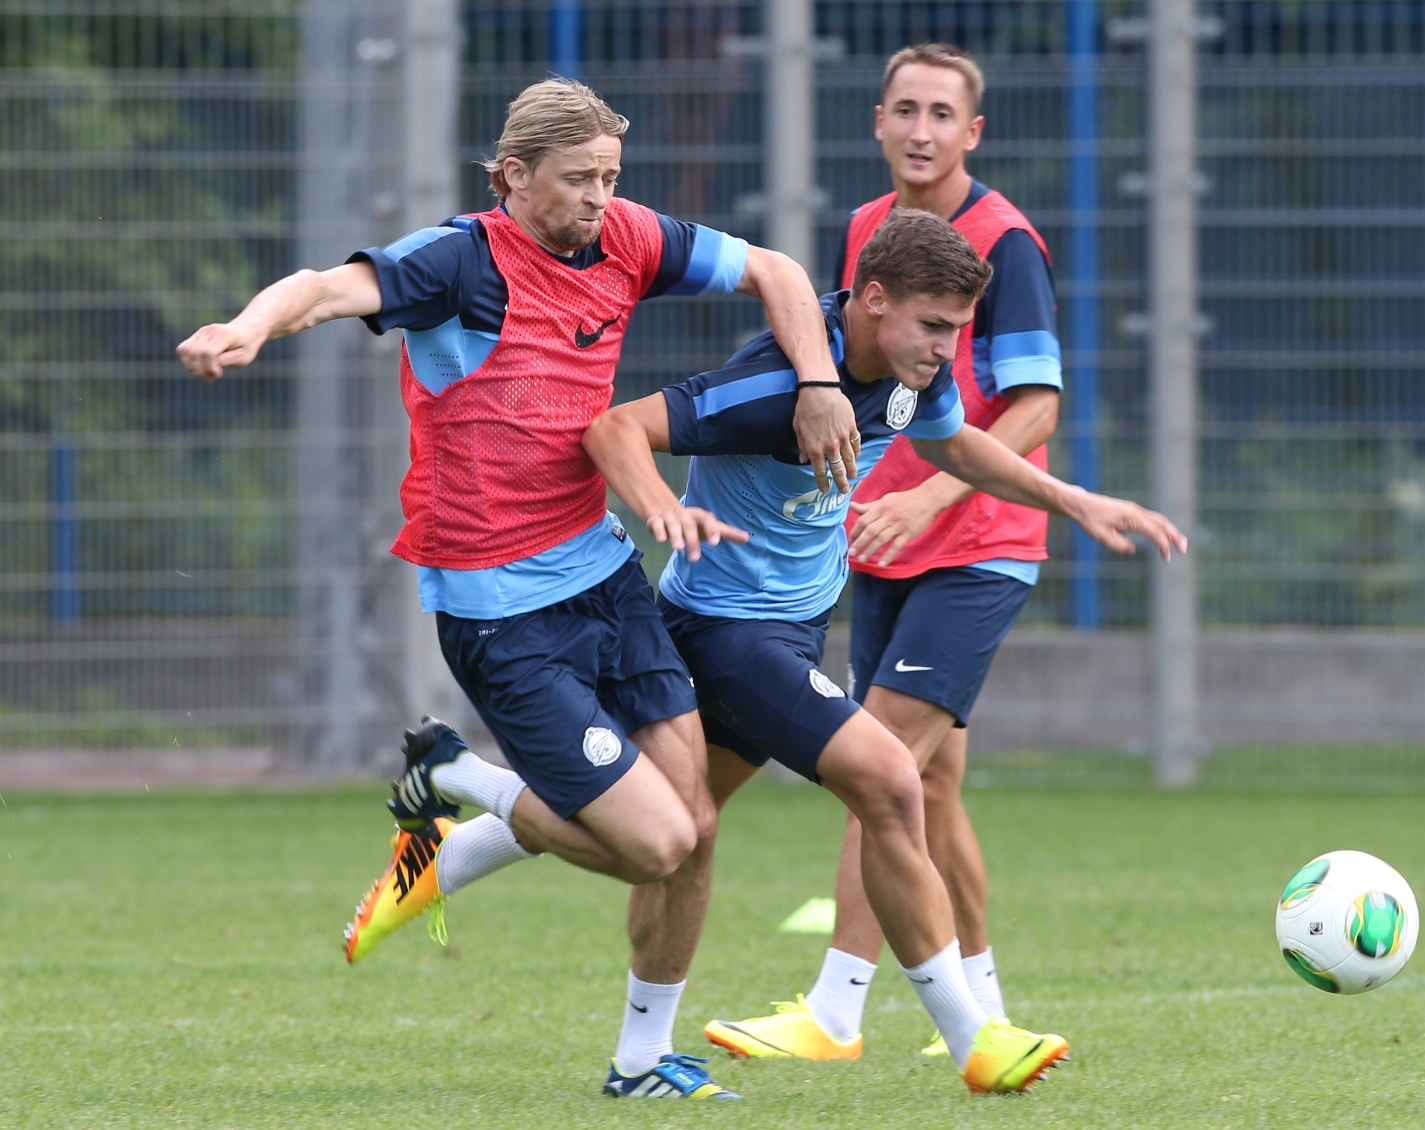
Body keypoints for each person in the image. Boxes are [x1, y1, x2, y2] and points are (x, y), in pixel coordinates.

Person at [175, 78, 858, 1101]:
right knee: (657, 841)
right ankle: (459, 777)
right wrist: (247, 324)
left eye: (610, 177)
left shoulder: (626, 236)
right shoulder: (459, 261)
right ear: (511, 176)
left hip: (602, 572)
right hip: (498, 608)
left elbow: (778, 272)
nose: (598, 197)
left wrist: (818, 383)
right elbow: (324, 286)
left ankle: (638, 1061)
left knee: (697, 826)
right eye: (578, 179)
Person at [583, 208, 1185, 1093]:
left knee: (670, 831)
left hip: (783, 631)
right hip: (724, 636)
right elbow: (613, 428)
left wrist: (1074, 500)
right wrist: (661, 510)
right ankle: (976, 1040)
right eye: (934, 326)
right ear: (872, 301)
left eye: (959, 330)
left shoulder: (900, 376)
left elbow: (953, 443)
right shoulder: (779, 390)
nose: (948, 350)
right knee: (891, 780)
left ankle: (466, 819)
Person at [707, 42, 1078, 1061]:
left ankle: (836, 1008)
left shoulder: (1005, 242)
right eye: (903, 109)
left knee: (873, 765)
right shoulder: (872, 231)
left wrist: (933, 499)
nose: (920, 128)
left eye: (940, 113)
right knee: (932, 788)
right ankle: (987, 1011)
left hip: (977, 547)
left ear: (973, 131)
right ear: (876, 121)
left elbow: (1038, 405)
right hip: (877, 544)